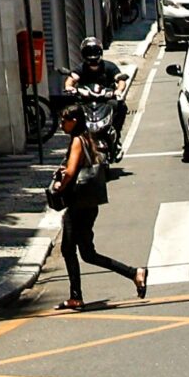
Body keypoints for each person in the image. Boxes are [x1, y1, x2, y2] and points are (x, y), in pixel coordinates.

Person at [48, 104, 144, 311]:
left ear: (74, 121)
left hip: (79, 205)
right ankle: (134, 273)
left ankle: (76, 297)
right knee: (88, 254)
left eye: (64, 121)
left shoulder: (76, 141)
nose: (62, 125)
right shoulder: (87, 138)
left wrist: (59, 186)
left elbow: (71, 172)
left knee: (68, 249)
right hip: (89, 204)